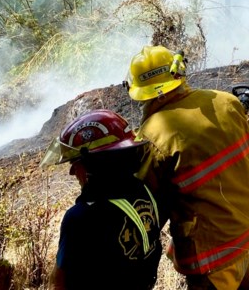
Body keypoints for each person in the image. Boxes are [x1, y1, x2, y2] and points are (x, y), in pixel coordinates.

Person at [126, 45, 249, 290]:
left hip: (210, 254)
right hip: (241, 234)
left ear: (142, 94)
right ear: (178, 74)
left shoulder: (152, 136)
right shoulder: (225, 102)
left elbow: (146, 205)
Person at [41, 109, 162, 290]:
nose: (72, 172)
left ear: (94, 164)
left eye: (76, 163)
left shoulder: (80, 218)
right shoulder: (145, 191)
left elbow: (59, 284)